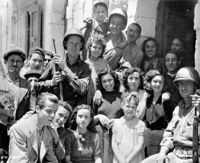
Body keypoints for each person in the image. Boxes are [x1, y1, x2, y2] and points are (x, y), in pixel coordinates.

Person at [141, 67, 200, 163]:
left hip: (192, 158)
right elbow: (169, 133)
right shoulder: (178, 109)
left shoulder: (199, 107)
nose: (183, 87)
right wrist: (162, 153)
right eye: (180, 84)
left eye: (187, 83)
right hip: (174, 155)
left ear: (195, 86)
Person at [40, 28, 91, 108]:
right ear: (66, 44)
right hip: (56, 112)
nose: (74, 47)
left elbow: (82, 90)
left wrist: (65, 68)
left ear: (81, 45)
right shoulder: (54, 63)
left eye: (77, 43)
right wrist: (51, 82)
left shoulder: (85, 67)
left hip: (75, 113)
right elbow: (38, 86)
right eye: (71, 43)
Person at [7, 92, 65, 163]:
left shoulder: (47, 130)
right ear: (37, 109)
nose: (53, 115)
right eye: (49, 111)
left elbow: (52, 158)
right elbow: (19, 161)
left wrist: (56, 136)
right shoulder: (19, 129)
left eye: (55, 111)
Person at [93, 70, 123, 163]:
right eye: (104, 81)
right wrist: (99, 116)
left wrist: (117, 121)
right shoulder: (98, 97)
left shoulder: (122, 96)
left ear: (114, 80)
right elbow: (90, 119)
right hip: (101, 136)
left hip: (118, 135)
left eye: (109, 80)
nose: (107, 83)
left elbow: (129, 117)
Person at [112, 92, 146, 163]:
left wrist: (127, 160)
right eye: (127, 106)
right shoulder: (116, 123)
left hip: (134, 159)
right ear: (122, 106)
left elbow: (140, 145)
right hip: (118, 159)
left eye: (133, 107)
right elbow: (114, 144)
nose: (130, 109)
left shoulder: (140, 124)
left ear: (137, 108)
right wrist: (121, 160)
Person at [142, 70, 169, 156]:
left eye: (160, 82)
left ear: (163, 85)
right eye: (155, 81)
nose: (157, 84)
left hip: (161, 138)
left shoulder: (166, 99)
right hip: (148, 138)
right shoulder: (147, 100)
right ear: (150, 83)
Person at [162, 51, 182, 121]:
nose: (170, 63)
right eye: (167, 60)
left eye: (173, 60)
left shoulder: (182, 78)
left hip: (180, 115)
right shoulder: (161, 79)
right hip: (164, 117)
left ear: (178, 62)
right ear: (165, 63)